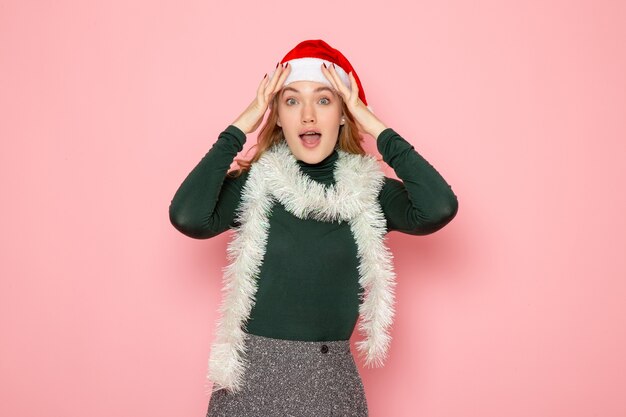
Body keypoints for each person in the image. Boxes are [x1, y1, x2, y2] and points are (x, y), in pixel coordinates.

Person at [169, 39, 458, 417]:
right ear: (278, 116)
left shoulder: (369, 193)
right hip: (249, 388)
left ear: (342, 112)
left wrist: (372, 122)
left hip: (330, 389)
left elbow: (438, 207)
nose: (307, 115)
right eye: (291, 101)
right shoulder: (254, 186)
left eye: (324, 100)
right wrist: (246, 119)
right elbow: (188, 216)